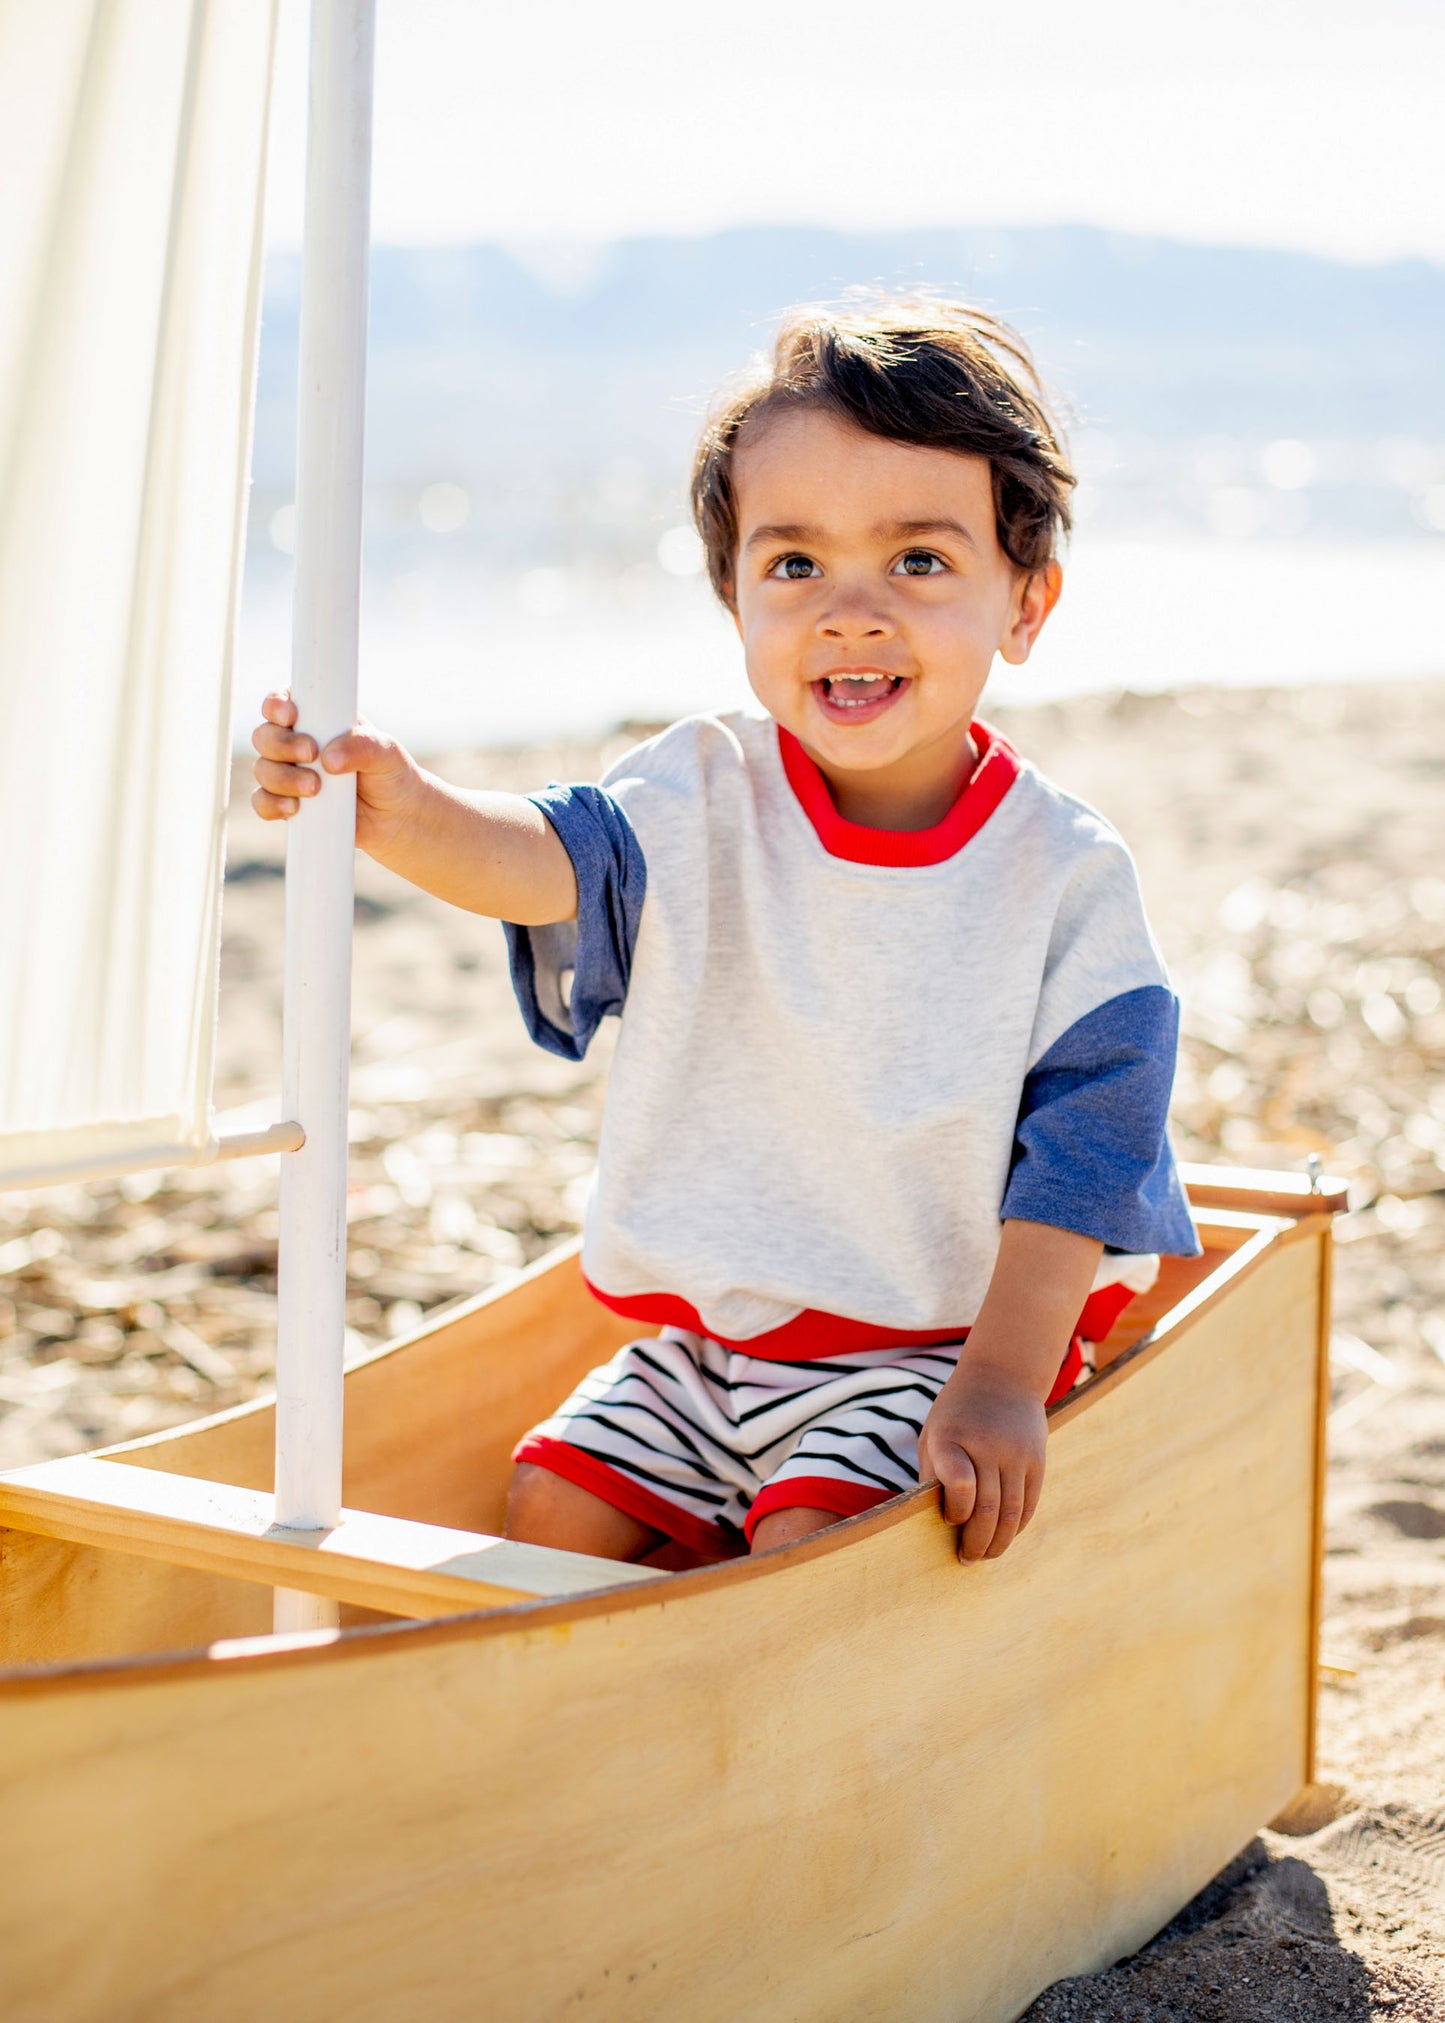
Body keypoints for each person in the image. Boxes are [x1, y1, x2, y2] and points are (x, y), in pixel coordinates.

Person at [251, 296, 1199, 1570]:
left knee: (817, 1536)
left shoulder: (1061, 874)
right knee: (553, 1512)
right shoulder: (697, 794)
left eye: (917, 561)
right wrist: (400, 810)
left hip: (929, 1342)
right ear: (732, 595)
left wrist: (1000, 1383)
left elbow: (1085, 1155)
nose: (848, 610)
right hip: (712, 1344)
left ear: (1024, 603)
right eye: (792, 563)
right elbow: (543, 862)